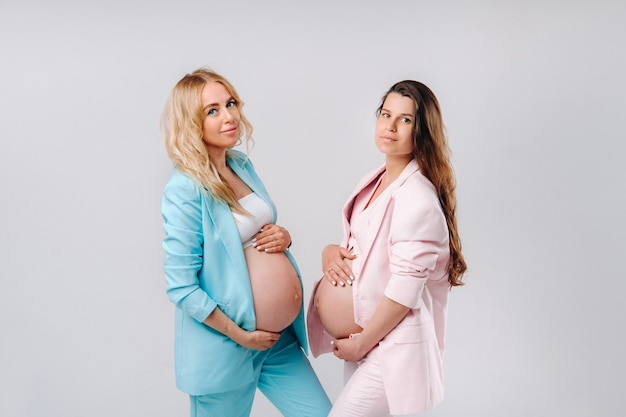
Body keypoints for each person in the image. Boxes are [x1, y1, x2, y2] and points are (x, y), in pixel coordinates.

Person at [160, 68, 332, 417]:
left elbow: (251, 232)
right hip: (228, 346)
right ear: (192, 123)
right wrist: (241, 336)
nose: (229, 116)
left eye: (231, 103)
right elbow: (180, 286)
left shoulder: (240, 164)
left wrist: (283, 235)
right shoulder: (184, 188)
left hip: (276, 341)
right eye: (213, 110)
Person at [307, 80, 467, 416]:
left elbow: (404, 291)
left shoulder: (417, 198)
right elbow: (361, 250)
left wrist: (362, 343)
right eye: (385, 114)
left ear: (421, 130)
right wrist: (329, 251)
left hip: (390, 346)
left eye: (405, 120)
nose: (390, 126)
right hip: (366, 338)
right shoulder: (375, 180)